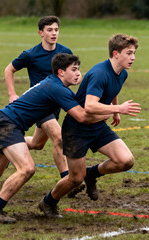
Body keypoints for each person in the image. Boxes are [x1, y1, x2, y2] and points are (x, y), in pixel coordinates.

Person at [0, 53, 110, 224]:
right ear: (61, 72)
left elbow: (84, 110)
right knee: (27, 169)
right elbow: (81, 116)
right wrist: (113, 110)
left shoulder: (56, 85)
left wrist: (102, 109)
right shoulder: (57, 88)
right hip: (7, 124)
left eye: (79, 69)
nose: (79, 74)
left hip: (2, 121)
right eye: (74, 70)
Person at [38, 34, 141, 218]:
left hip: (98, 126)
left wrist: (115, 111)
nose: (133, 57)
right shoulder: (100, 73)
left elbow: (112, 90)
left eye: (134, 53)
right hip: (78, 129)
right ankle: (48, 202)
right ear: (116, 54)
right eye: (129, 53)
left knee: (126, 161)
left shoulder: (122, 72)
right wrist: (119, 108)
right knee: (75, 178)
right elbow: (90, 106)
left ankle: (92, 174)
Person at [3, 16, 75, 183]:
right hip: (39, 106)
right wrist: (12, 94)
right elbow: (9, 70)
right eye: (49, 30)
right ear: (41, 33)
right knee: (58, 138)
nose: (54, 33)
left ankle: (7, 146)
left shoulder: (66, 53)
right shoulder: (30, 54)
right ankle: (66, 180)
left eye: (56, 30)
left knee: (37, 143)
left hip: (57, 105)